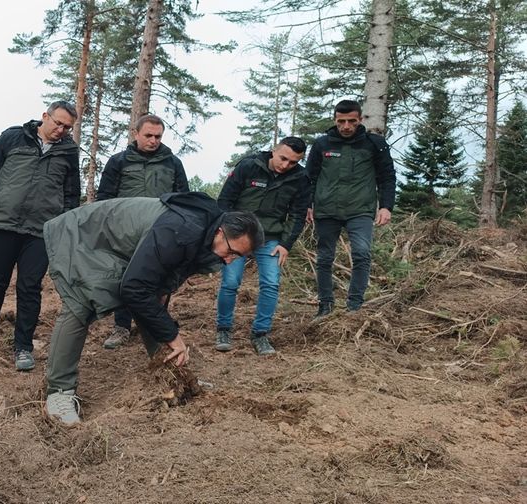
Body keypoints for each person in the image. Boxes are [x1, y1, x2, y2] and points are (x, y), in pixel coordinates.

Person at [42, 192, 264, 425]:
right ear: (221, 231)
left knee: (152, 303)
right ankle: (59, 393)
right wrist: (173, 336)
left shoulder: (205, 234)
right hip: (84, 237)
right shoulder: (181, 230)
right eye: (231, 252)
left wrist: (165, 328)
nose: (230, 261)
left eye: (238, 257)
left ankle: (169, 373)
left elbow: (156, 288)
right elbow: (135, 288)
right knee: (80, 306)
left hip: (119, 245)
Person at [0, 101, 81, 371]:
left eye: (67, 127)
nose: (61, 130)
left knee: (30, 288)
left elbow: (71, 193)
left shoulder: (69, 151)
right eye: (58, 123)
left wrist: (63, 228)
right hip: (4, 224)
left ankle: (23, 346)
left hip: (42, 231)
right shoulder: (12, 137)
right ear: (45, 116)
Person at [96, 114, 190, 350]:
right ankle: (122, 327)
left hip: (161, 233)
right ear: (135, 133)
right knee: (125, 278)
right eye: (148, 135)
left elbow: (184, 199)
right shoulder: (118, 161)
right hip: (125, 233)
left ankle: (156, 327)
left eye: (158, 136)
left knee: (161, 280)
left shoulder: (173, 163)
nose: (153, 140)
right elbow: (104, 199)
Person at [214, 137, 310, 355]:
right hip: (238, 234)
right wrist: (226, 233)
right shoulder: (249, 166)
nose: (285, 165)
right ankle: (223, 329)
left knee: (271, 283)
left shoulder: (301, 178)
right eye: (283, 158)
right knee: (230, 282)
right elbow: (225, 201)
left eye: (293, 162)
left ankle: (260, 334)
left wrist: (286, 244)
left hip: (270, 238)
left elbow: (297, 214)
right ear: (274, 151)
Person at [306, 100, 396, 318]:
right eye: (341, 121)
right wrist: (307, 205)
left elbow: (387, 177)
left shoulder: (375, 144)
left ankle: (354, 306)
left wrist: (385, 206)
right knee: (325, 257)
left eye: (351, 121)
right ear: (335, 120)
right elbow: (309, 177)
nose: (346, 126)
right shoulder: (321, 144)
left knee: (362, 253)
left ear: (360, 119)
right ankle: (325, 305)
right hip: (327, 210)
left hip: (361, 210)